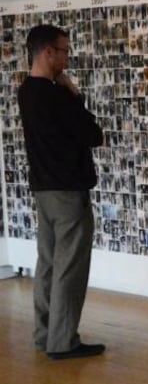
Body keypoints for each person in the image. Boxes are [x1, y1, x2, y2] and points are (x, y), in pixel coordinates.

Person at [18, 24, 105, 360]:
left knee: (48, 265)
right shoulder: (57, 96)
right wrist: (74, 94)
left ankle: (45, 336)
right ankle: (63, 342)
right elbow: (93, 134)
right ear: (48, 52)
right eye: (65, 51)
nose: (68, 58)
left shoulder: (26, 92)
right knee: (70, 268)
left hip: (43, 191)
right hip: (68, 192)